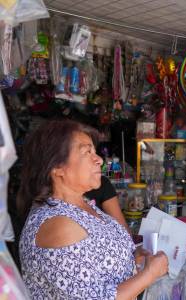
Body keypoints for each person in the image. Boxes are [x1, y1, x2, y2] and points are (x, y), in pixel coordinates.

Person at [17, 119, 168, 299]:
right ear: (57, 168)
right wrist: (149, 274)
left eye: (95, 152)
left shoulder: (81, 205)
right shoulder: (58, 225)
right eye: (87, 152)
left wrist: (131, 260)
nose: (98, 160)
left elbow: (96, 266)